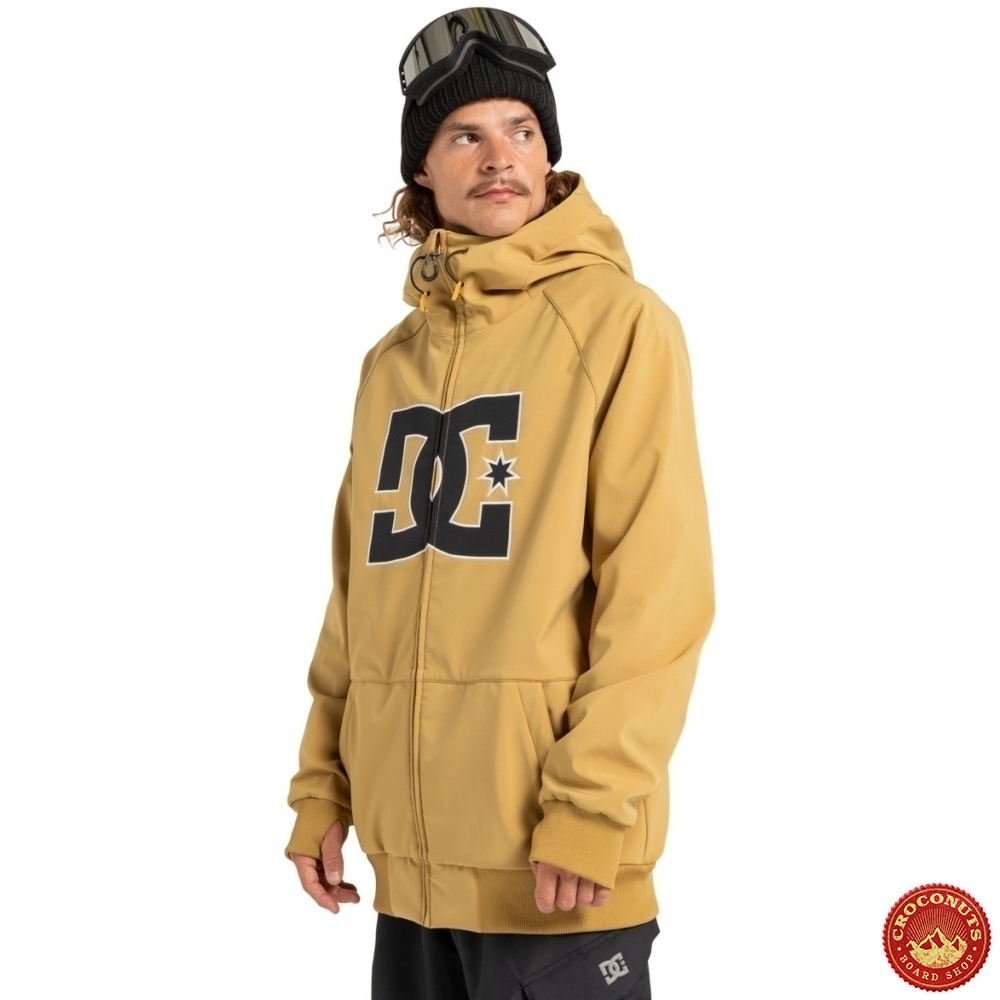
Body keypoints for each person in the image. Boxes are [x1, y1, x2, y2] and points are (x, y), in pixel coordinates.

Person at [284, 8, 714, 998]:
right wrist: (322, 788)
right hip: (411, 881)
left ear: (549, 153)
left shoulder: (621, 324)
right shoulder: (390, 366)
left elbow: (660, 594)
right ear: (421, 172)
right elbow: (356, 602)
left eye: (522, 129)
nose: (499, 157)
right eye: (464, 135)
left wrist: (592, 806)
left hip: (556, 876)